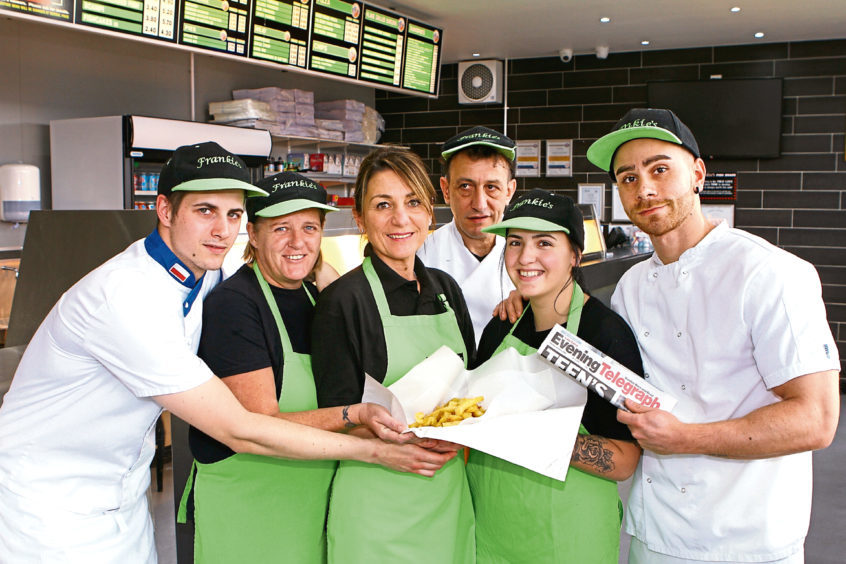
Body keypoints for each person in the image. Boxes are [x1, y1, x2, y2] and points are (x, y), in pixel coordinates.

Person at [0, 142, 453, 562]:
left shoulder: (201, 275)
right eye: (204, 211)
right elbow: (242, 429)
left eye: (233, 214)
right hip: (43, 508)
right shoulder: (127, 298)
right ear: (163, 209)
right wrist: (371, 445)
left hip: (121, 500)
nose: (221, 230)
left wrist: (323, 275)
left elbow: (278, 275)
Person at [584, 108, 840, 564]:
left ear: (698, 174)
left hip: (746, 539)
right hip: (654, 532)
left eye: (659, 169)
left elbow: (816, 418)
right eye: (627, 178)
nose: (643, 189)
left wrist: (687, 438)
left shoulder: (770, 273)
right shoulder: (632, 287)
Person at [312, 147, 477, 563]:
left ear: (429, 213)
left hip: (447, 498)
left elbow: (472, 385)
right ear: (360, 217)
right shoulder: (343, 301)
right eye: (383, 205)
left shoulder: (445, 289)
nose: (400, 219)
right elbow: (334, 419)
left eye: (413, 202)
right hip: (377, 506)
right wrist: (413, 435)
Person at [467, 189, 644, 563]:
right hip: (492, 530)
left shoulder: (603, 335)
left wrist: (531, 435)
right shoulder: (501, 327)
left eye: (544, 243)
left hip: (568, 536)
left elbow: (625, 460)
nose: (525, 257)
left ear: (575, 255)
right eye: (515, 243)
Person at [417, 126, 517, 343]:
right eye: (465, 186)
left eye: (491, 187)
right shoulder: (420, 257)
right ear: (445, 190)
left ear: (509, 191)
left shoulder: (528, 262)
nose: (479, 204)